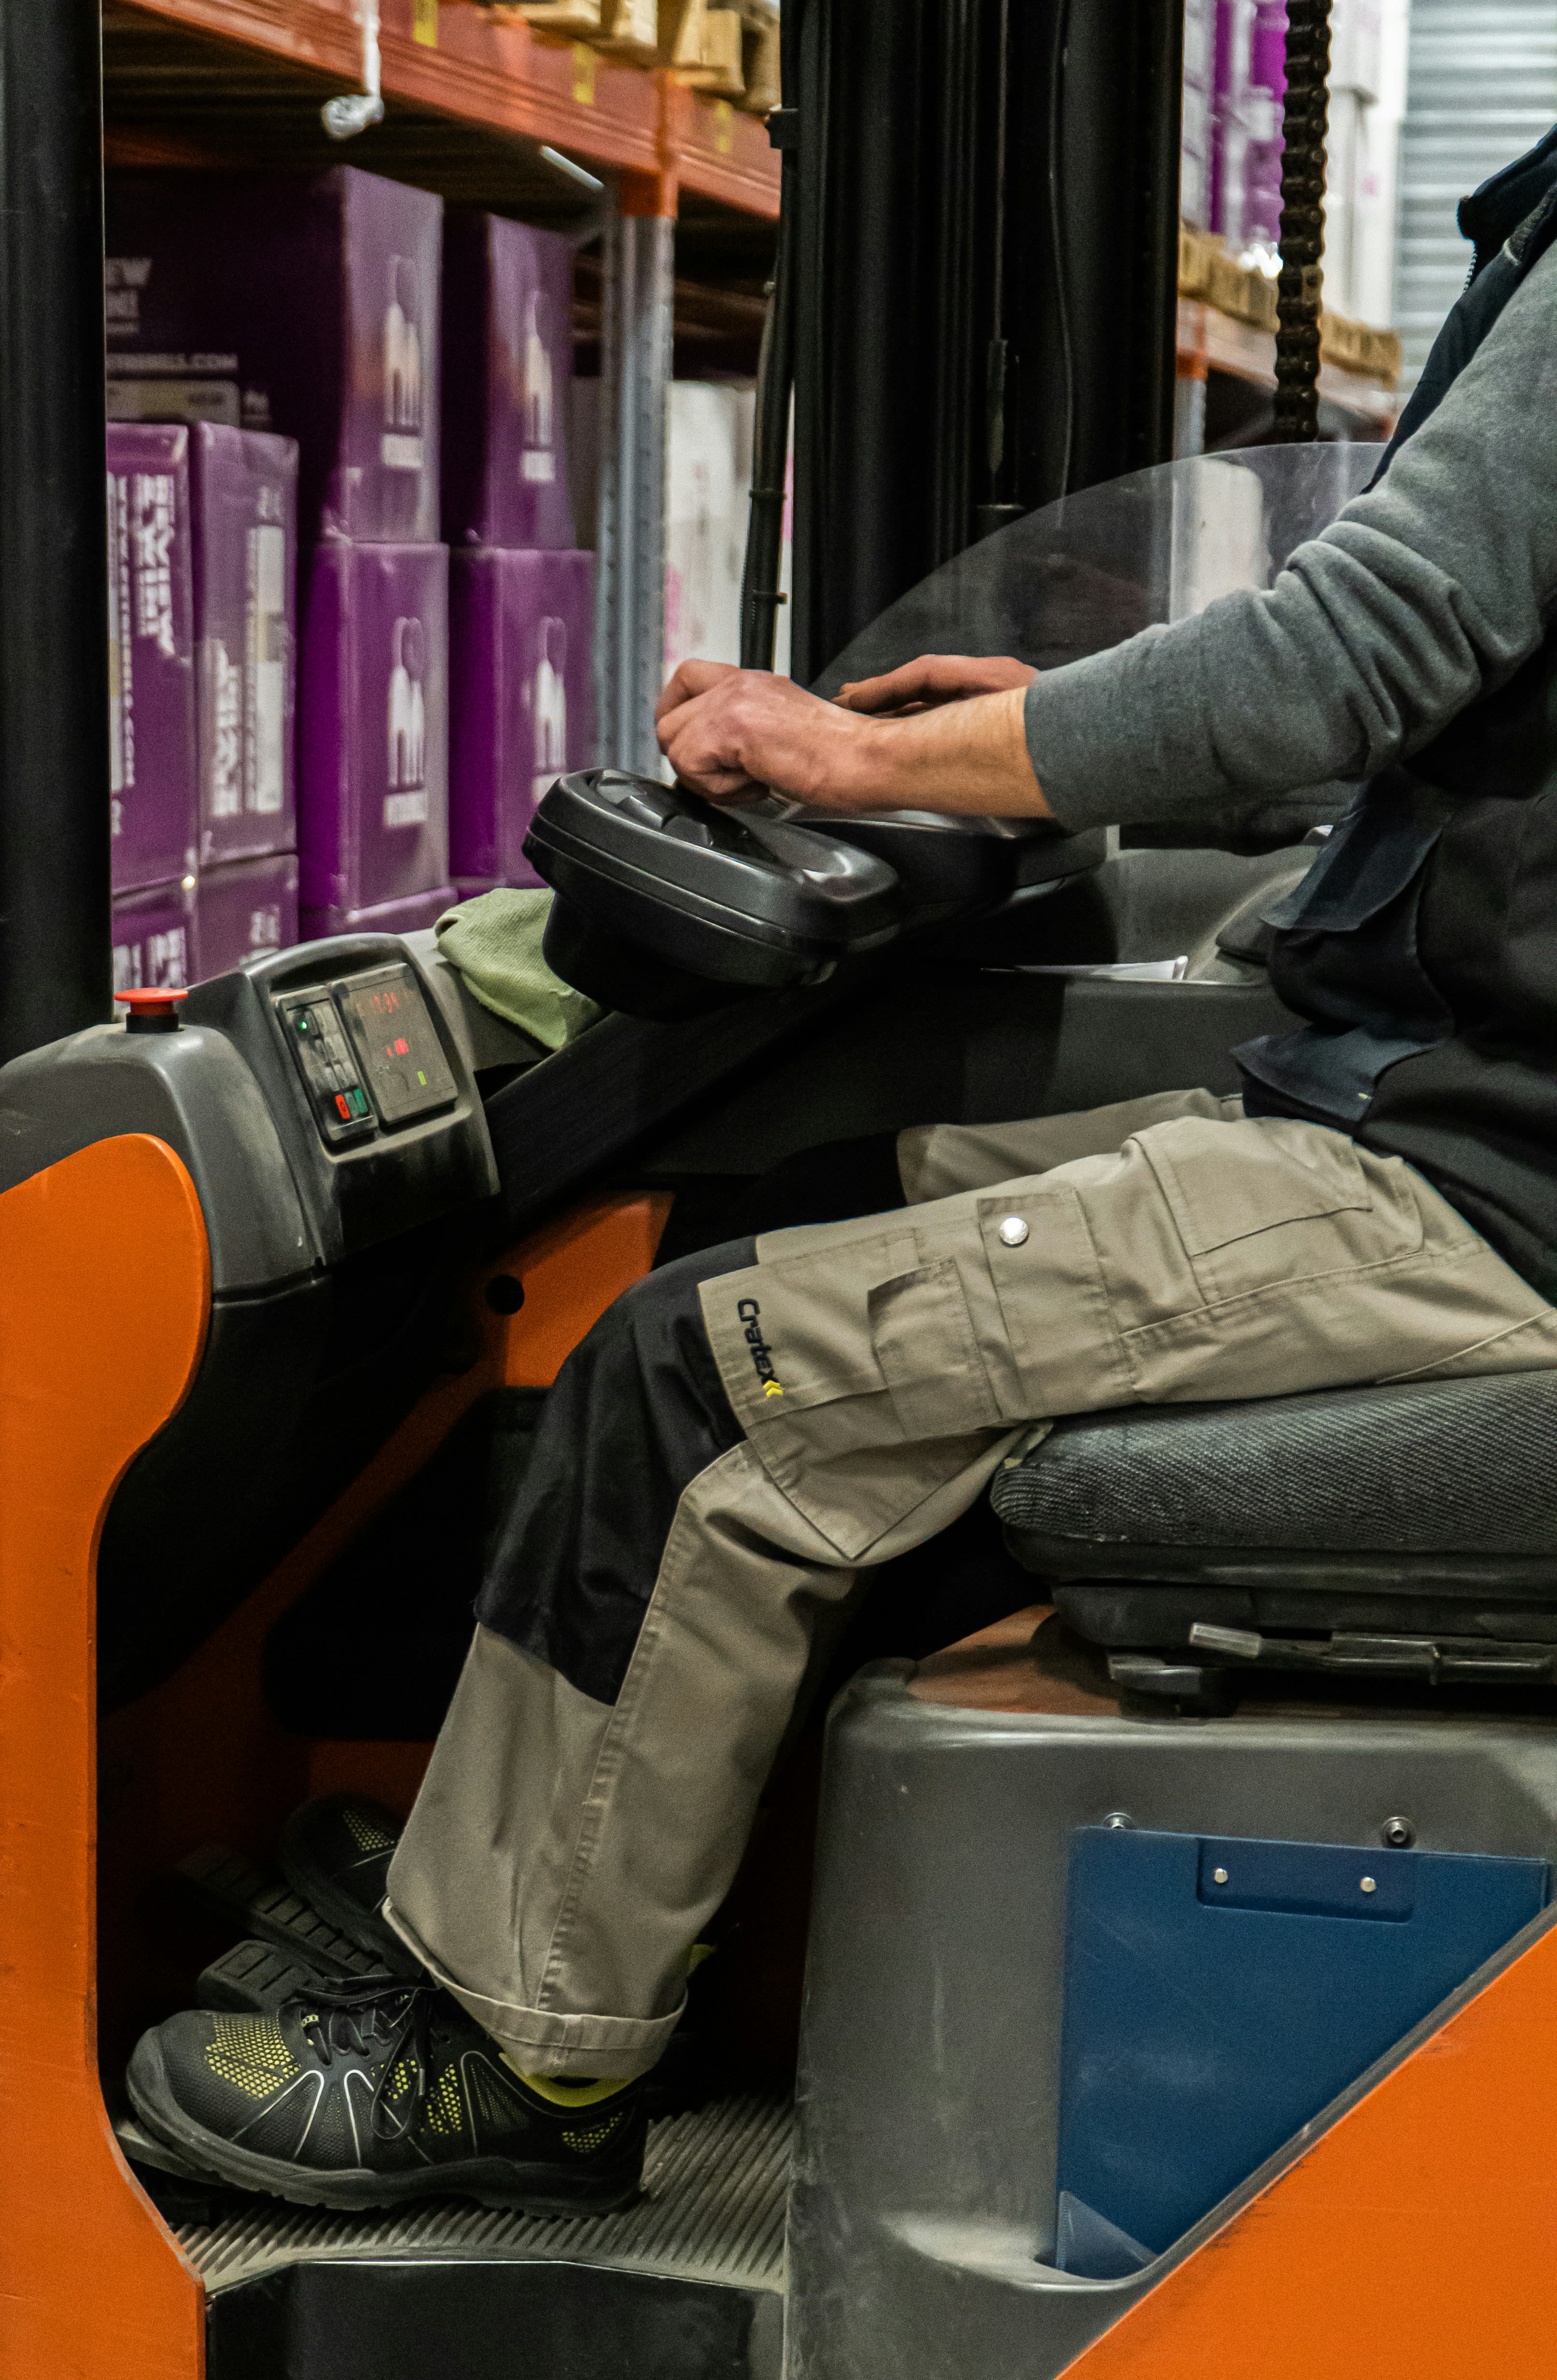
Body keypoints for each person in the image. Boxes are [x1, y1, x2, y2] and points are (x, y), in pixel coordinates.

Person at [129, 128, 1557, 2213]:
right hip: (1437, 1113)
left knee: (708, 1373)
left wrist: (866, 761)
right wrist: (1056, 725)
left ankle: (518, 2055)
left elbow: (1351, 648)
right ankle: (534, 1871)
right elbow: (1467, 715)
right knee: (781, 1201)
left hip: (1485, 1189)